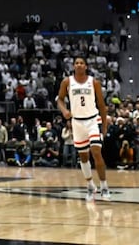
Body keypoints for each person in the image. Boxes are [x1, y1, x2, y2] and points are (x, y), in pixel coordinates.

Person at [56, 55, 111, 201]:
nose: (79, 65)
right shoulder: (67, 82)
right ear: (73, 66)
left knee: (96, 151)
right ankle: (90, 185)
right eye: (76, 63)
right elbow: (59, 100)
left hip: (93, 120)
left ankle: (104, 186)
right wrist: (64, 111)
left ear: (86, 66)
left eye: (82, 63)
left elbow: (101, 105)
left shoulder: (94, 82)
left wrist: (104, 125)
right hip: (77, 122)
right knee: (84, 157)